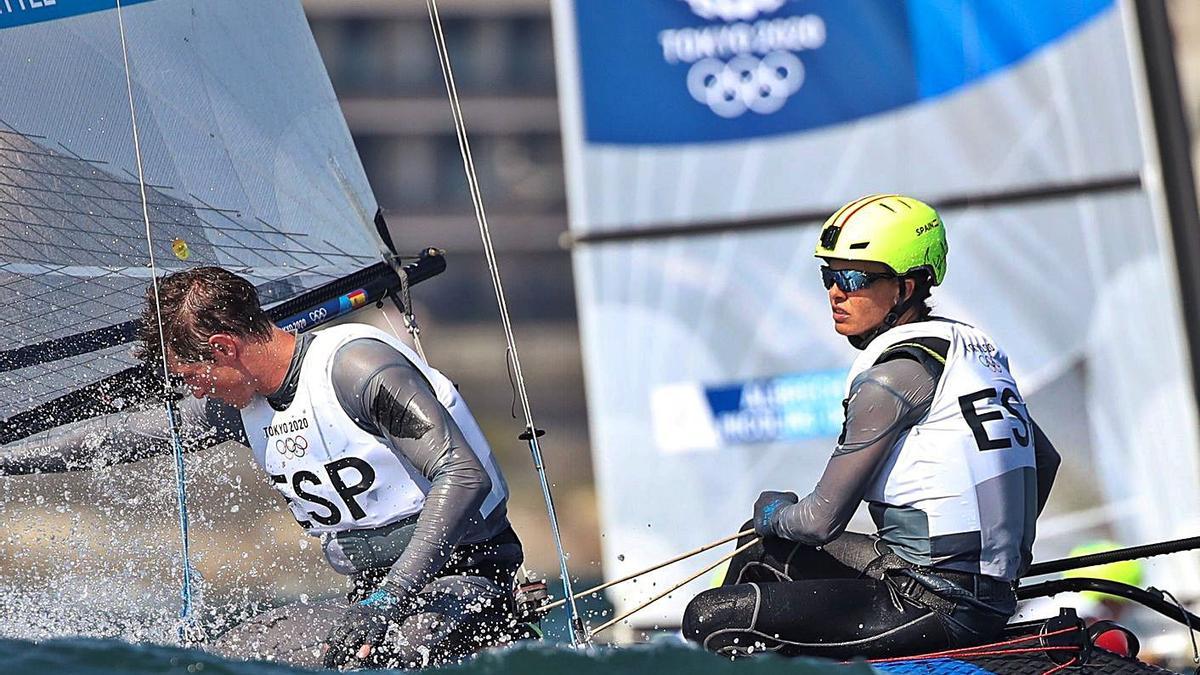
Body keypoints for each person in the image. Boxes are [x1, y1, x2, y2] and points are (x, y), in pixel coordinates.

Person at [0, 267, 524, 669]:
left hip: (469, 577)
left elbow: (463, 475)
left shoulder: (356, 369)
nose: (193, 389)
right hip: (373, 597)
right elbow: (118, 437)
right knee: (220, 662)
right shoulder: (240, 404)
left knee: (400, 651)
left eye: (191, 374)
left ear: (224, 347)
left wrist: (389, 601)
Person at [682, 194, 1062, 659]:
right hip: (967, 591)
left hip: (931, 604)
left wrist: (772, 512)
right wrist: (995, 557)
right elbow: (1045, 461)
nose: (836, 292)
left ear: (907, 286)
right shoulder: (971, 352)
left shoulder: (892, 377)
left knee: (709, 615)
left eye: (854, 277)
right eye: (829, 276)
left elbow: (821, 520)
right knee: (760, 548)